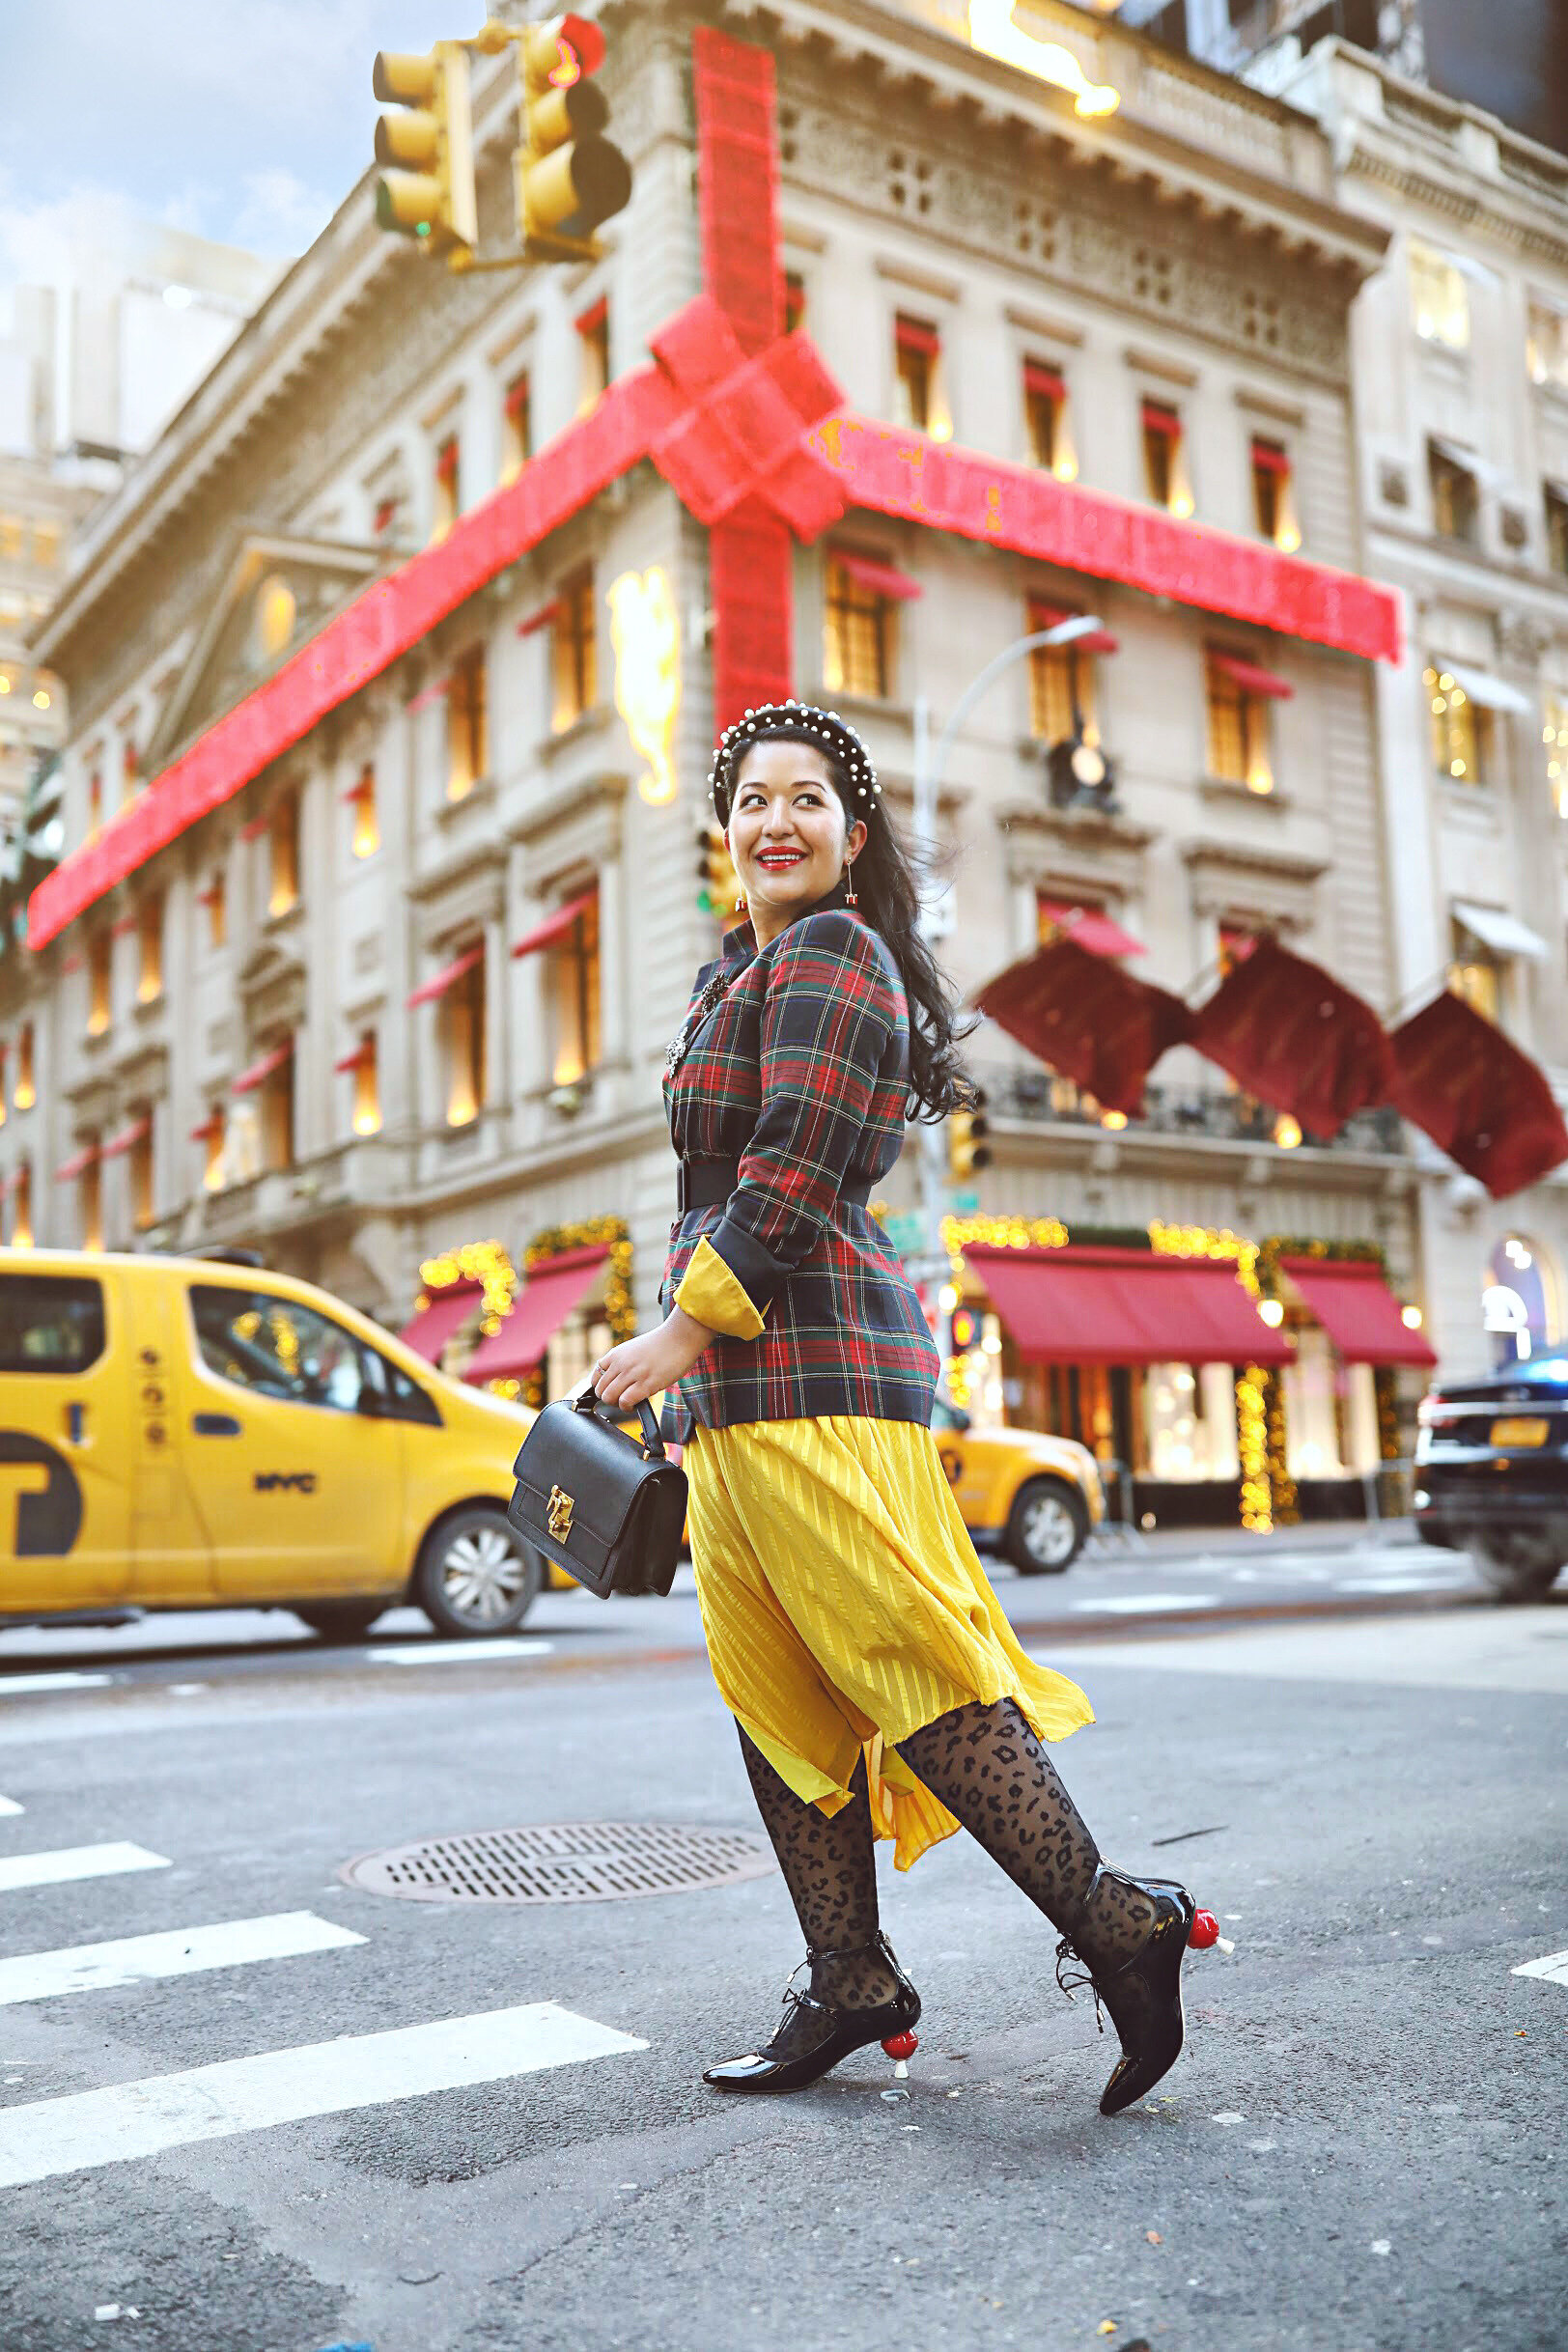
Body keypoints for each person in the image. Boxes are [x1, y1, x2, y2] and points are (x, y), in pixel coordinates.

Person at [589, 701, 1204, 2115]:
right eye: (753, 802)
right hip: (738, 1401)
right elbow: (715, 1184)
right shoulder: (731, 970)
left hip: (823, 1383)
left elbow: (796, 1169)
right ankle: (849, 1977)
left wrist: (680, 1329)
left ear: (854, 839)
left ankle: (1124, 1925)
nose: (776, 822)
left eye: (808, 800)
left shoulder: (835, 956)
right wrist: (686, 1368)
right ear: (724, 832)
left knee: (911, 1672)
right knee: (779, 1700)